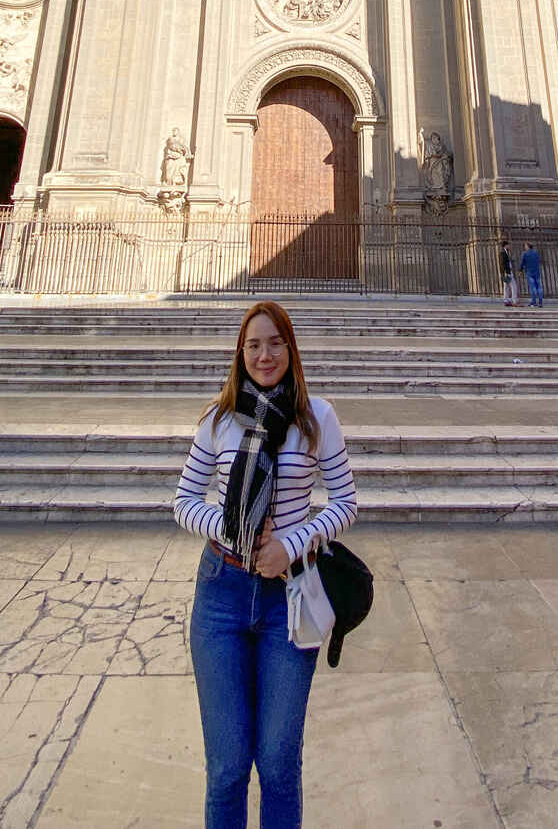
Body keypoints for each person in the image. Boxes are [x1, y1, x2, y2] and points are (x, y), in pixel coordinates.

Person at [175, 300, 357, 829]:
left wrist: (292, 544)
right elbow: (185, 500)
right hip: (221, 594)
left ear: (290, 349)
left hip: (289, 598)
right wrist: (232, 529)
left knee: (278, 762)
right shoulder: (218, 418)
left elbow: (345, 502)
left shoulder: (316, 417)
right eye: (254, 344)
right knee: (228, 766)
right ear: (241, 353)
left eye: (275, 342)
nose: (264, 354)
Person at [520, 241, 543, 307]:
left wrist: (520, 270)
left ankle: (534, 302)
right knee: (539, 287)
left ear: (527, 246)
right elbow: (538, 261)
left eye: (525, 246)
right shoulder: (536, 253)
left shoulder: (525, 253)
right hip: (537, 272)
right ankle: (540, 302)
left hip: (529, 272)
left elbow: (522, 263)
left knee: (532, 287)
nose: (524, 247)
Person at [499, 240, 518, 306]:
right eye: (508, 245)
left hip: (507, 272)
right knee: (514, 286)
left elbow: (506, 262)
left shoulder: (506, 252)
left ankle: (506, 301)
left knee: (506, 287)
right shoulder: (503, 252)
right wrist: (505, 272)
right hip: (507, 272)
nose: (509, 246)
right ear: (506, 245)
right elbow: (502, 263)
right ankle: (514, 301)